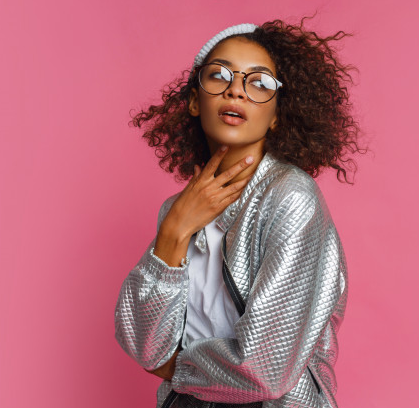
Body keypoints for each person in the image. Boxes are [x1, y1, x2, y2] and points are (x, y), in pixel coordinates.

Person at [115, 18, 367, 408]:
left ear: (278, 113)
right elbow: (144, 346)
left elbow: (265, 370)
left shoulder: (291, 198)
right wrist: (174, 231)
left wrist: (177, 369)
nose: (236, 89)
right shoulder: (176, 211)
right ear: (195, 102)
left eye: (260, 83)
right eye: (219, 76)